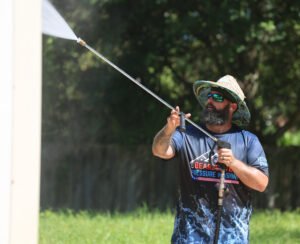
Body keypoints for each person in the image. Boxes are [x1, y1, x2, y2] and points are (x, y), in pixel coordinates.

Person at [152, 75, 269, 243]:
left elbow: (262, 183)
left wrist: (234, 163)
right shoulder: (187, 135)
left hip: (232, 238)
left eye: (217, 97)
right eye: (209, 96)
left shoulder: (248, 141)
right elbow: (159, 151)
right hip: (188, 239)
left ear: (232, 106)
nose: (210, 102)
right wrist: (169, 128)